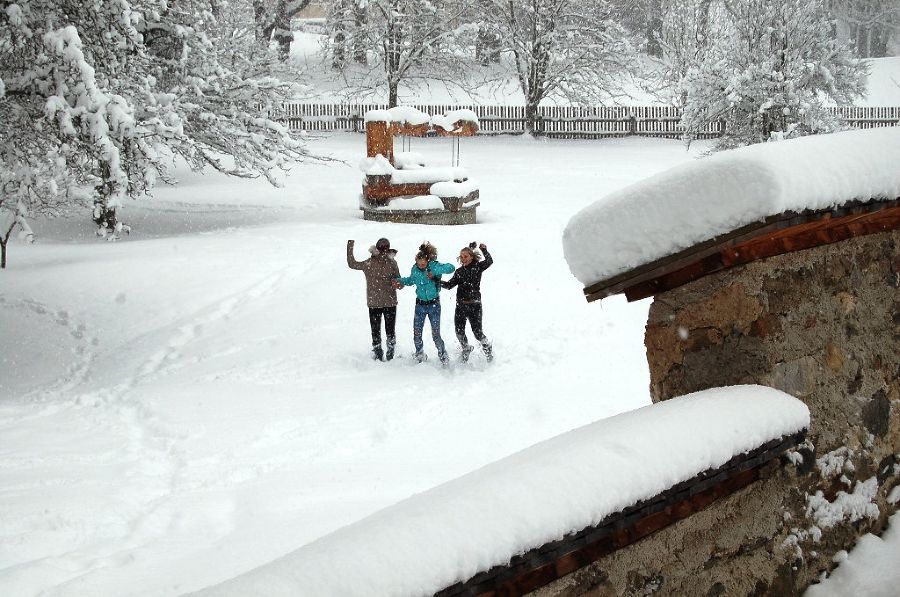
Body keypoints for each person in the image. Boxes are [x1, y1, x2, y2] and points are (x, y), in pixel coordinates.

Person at [395, 242, 455, 364]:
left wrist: (435, 271)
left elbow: (451, 267)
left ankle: (443, 355)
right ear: (416, 260)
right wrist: (399, 281)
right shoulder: (415, 269)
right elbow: (411, 280)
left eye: (424, 263)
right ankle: (419, 354)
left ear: (427, 261)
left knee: (436, 334)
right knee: (417, 334)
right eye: (420, 263)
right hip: (420, 305)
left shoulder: (433, 266)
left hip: (434, 306)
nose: (422, 265)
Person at [347, 238, 400, 361]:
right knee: (378, 331)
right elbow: (352, 264)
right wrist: (350, 245)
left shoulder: (392, 263)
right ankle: (378, 354)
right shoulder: (369, 263)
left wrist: (398, 283)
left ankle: (388, 354)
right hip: (376, 303)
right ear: (377, 249)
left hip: (388, 301)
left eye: (385, 248)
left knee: (388, 330)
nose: (383, 251)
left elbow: (399, 280)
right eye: (382, 248)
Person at [442, 242, 493, 362]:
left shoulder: (478, 267)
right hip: (461, 306)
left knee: (478, 333)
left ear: (471, 256)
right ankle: (466, 348)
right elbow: (449, 285)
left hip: (475, 305)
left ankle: (487, 348)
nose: (463, 259)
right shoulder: (459, 272)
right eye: (461, 257)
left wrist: (484, 250)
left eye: (465, 256)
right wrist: (436, 281)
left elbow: (489, 261)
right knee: (459, 332)